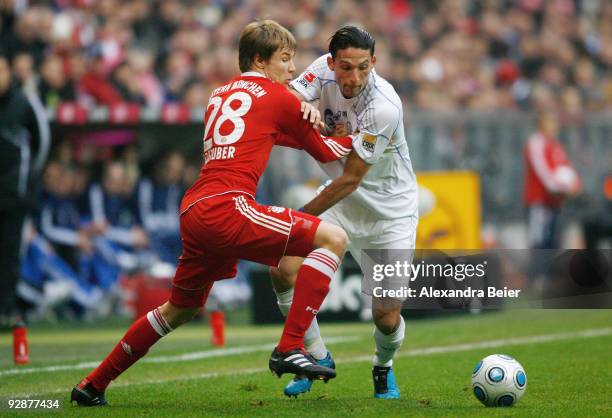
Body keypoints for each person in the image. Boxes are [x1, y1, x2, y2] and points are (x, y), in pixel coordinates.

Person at [70, 20, 363, 406]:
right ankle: (291, 346)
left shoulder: (218, 93)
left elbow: (274, 134)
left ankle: (92, 385)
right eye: (286, 59)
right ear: (260, 60)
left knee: (180, 309)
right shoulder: (278, 96)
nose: (292, 70)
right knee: (333, 238)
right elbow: (326, 152)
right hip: (229, 205)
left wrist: (309, 119)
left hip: (195, 207)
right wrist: (362, 135)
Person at [270, 26, 419, 399]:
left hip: (390, 214)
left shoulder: (384, 105)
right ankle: (315, 357)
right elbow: (283, 99)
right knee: (283, 266)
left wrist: (299, 217)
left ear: (375, 63)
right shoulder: (321, 70)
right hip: (340, 205)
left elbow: (351, 179)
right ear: (332, 62)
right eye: (346, 68)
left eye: (363, 68)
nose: (354, 77)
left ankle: (383, 368)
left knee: (385, 316)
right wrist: (300, 105)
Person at [0, 52, 50, 328]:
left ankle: (6, 309)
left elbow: (42, 143)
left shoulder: (24, 104)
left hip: (14, 196)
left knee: (9, 253)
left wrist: (26, 179)